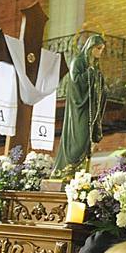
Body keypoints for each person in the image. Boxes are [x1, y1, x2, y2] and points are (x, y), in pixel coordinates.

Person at [51, 33, 108, 174]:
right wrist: (90, 74)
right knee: (80, 138)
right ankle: (68, 168)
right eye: (98, 48)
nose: (100, 52)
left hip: (90, 107)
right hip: (79, 108)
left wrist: (100, 82)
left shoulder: (94, 65)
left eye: (102, 49)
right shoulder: (78, 62)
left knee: (88, 140)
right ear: (90, 48)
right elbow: (75, 81)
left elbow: (99, 84)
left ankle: (80, 172)